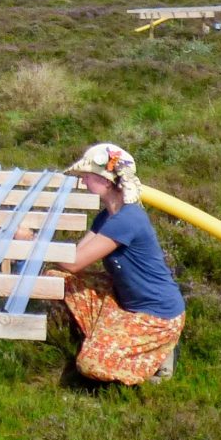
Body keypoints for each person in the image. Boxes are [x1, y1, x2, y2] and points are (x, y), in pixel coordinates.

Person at [21, 143, 185, 385]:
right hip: (125, 299)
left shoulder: (127, 219)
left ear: (106, 181)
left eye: (87, 177)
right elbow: (78, 254)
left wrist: (33, 240)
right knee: (57, 279)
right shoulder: (108, 216)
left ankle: (154, 360)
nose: (84, 182)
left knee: (90, 364)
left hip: (156, 315)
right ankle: (124, 341)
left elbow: (75, 263)